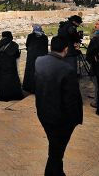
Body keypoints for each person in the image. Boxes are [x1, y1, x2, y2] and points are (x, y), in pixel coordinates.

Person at [35, 36, 83, 176]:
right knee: (56, 152)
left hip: (44, 113)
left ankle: (59, 172)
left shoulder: (39, 61)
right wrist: (74, 119)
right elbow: (71, 99)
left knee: (55, 147)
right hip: (60, 118)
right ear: (66, 49)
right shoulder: (67, 69)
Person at [0, 31, 23, 101]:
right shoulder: (15, 44)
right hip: (11, 66)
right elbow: (16, 55)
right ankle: (14, 96)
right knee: (12, 82)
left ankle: (3, 97)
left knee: (1, 83)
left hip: (1, 66)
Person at [23, 25, 49, 93]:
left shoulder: (30, 36)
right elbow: (45, 47)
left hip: (31, 57)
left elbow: (27, 44)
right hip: (42, 57)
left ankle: (29, 88)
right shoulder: (44, 37)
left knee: (30, 72)